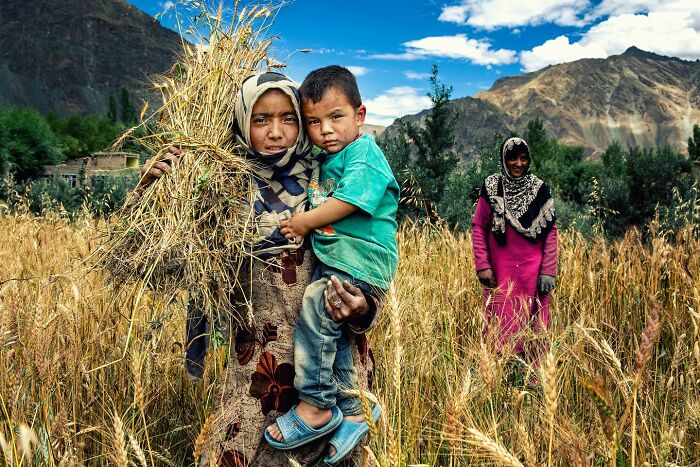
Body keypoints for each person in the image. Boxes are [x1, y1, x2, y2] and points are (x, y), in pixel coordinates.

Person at [139, 71, 381, 466]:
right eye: (261, 119)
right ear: (242, 121)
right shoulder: (221, 191)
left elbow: (369, 261)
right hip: (257, 387)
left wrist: (363, 307)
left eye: (288, 118)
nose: (276, 132)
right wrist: (156, 194)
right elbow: (163, 266)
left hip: (331, 391)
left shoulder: (332, 181)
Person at [263, 66, 398, 464]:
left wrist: (305, 221)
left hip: (358, 261)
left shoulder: (363, 153)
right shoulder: (317, 161)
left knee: (320, 306)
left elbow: (353, 200)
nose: (325, 130)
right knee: (329, 328)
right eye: (313, 122)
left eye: (336, 117)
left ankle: (318, 403)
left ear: (360, 116)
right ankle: (353, 410)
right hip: (339, 260)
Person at [471, 136, 558, 365]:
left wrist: (548, 271)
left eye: (523, 158)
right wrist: (483, 265)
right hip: (500, 273)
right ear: (503, 159)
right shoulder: (492, 187)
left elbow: (551, 232)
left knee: (534, 329)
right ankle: (499, 379)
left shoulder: (540, 190)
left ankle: (531, 384)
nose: (518, 163)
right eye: (512, 158)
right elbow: (479, 226)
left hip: (533, 275)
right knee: (499, 327)